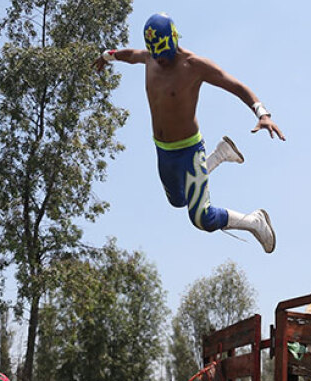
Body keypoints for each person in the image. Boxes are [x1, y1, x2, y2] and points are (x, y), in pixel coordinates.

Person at [94, 12, 285, 253]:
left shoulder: (194, 66)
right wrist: (106, 56)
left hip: (189, 150)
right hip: (163, 150)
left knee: (201, 217)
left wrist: (262, 113)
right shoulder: (150, 57)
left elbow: (235, 85)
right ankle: (220, 155)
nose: (160, 61)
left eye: (164, 55)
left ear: (174, 41)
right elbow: (130, 55)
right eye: (156, 56)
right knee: (178, 201)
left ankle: (253, 221)